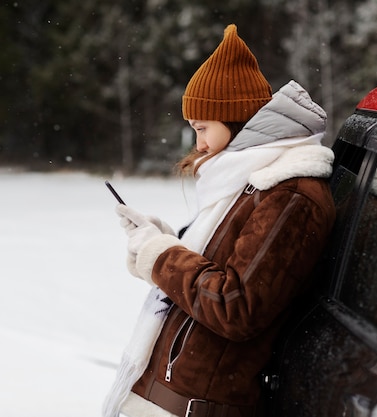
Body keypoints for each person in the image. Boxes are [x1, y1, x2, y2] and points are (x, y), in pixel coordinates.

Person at [103, 24, 336, 417]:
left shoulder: (288, 192)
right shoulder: (250, 182)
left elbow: (234, 305)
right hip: (174, 398)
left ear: (236, 118)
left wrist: (161, 256)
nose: (199, 145)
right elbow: (219, 270)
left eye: (202, 128)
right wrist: (161, 242)